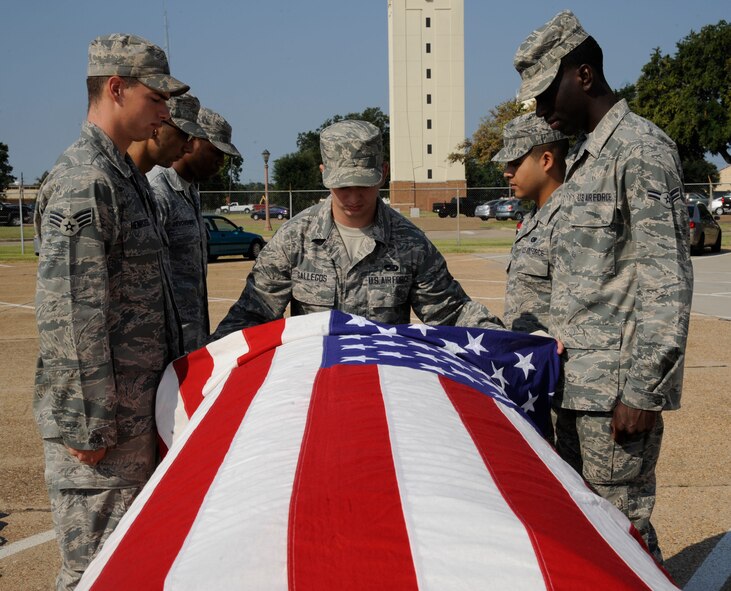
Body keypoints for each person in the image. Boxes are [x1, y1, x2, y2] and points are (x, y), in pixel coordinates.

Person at [513, 10, 693, 560]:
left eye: (547, 93)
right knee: (584, 536)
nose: (542, 109)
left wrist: (641, 392)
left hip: (615, 397)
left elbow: (667, 280)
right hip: (573, 389)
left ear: (584, 76)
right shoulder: (589, 159)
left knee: (625, 536)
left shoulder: (640, 151)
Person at [34, 33, 187, 589]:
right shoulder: (86, 181)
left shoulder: (125, 177)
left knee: (130, 567)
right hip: (103, 433)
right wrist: (86, 421)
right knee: (95, 573)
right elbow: (70, 311)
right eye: (157, 98)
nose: (165, 113)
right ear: (116, 89)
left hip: (131, 418)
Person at [212, 120, 504, 339]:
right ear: (324, 175)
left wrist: (510, 341)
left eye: (363, 184)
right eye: (342, 186)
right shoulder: (294, 239)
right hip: (313, 385)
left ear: (384, 173)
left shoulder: (410, 244)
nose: (353, 198)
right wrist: (207, 359)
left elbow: (451, 312)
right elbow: (253, 313)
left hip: (385, 387)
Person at [148, 106, 240, 352]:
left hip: (190, 338)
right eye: (215, 152)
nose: (220, 162)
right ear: (192, 140)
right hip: (163, 344)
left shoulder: (190, 191)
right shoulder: (158, 191)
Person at [493, 112, 568, 334]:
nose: (507, 172)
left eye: (515, 163)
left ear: (546, 160)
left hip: (556, 363)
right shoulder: (532, 218)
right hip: (529, 360)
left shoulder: (572, 221)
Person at [128, 93, 206, 174]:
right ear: (155, 125)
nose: (189, 149)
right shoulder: (115, 175)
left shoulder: (138, 181)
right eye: (183, 135)